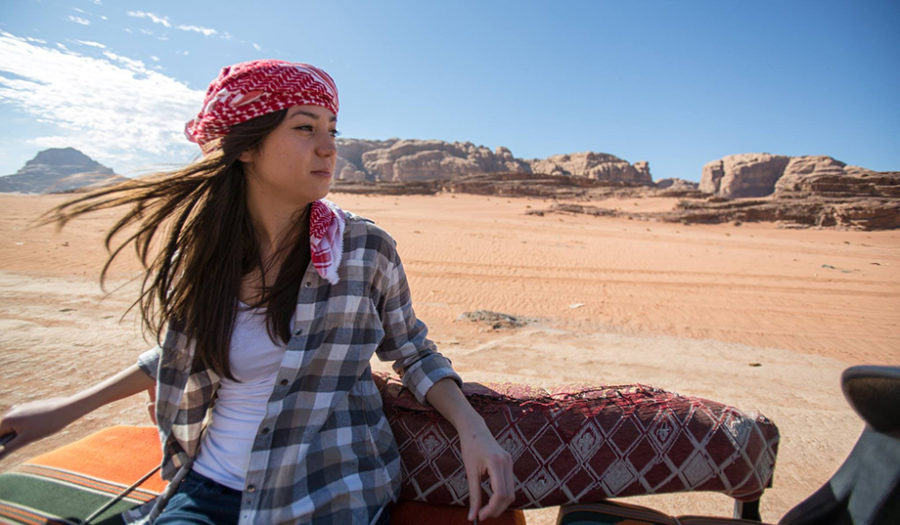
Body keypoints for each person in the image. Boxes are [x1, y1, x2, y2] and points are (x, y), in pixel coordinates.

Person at [0, 59, 515, 524]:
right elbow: (177, 353)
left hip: (326, 492)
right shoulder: (204, 255)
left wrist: (474, 430)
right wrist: (66, 407)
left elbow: (411, 349)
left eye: (332, 129)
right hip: (209, 486)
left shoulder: (363, 249)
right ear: (247, 145)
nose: (330, 147)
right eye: (305, 129)